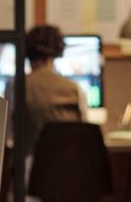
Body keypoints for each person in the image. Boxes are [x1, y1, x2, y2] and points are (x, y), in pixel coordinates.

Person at [23, 24, 87, 159]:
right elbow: (86, 135)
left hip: (28, 171)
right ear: (56, 53)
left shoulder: (16, 86)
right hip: (68, 169)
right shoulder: (74, 89)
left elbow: (8, 136)